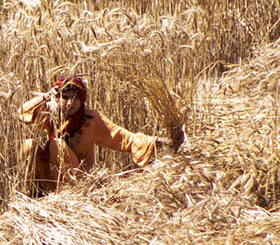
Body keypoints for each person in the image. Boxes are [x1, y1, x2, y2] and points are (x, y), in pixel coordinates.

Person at [17, 76, 179, 194]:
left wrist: (158, 142)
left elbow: (124, 138)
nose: (69, 104)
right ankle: (34, 192)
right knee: (29, 145)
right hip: (50, 176)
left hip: (76, 180)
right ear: (56, 98)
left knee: (56, 144)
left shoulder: (91, 119)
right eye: (64, 98)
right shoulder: (52, 114)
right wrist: (45, 97)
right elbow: (23, 113)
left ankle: (63, 194)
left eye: (75, 99)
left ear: (82, 100)